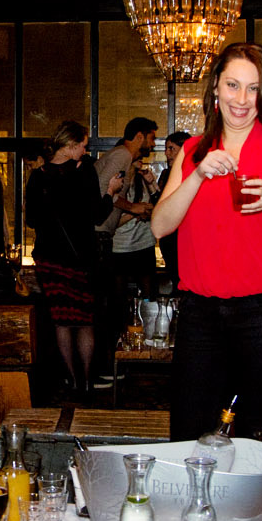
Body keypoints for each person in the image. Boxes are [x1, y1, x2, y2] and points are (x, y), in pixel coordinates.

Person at [150, 43, 262, 442]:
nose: (241, 99)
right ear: (215, 89)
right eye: (233, 85)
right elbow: (159, 226)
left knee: (257, 436)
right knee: (190, 433)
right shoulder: (193, 151)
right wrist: (197, 175)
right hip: (200, 315)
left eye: (253, 88)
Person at [24, 122, 123, 394]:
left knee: (62, 321)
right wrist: (111, 191)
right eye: (83, 145)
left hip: (49, 259)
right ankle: (87, 382)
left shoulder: (38, 176)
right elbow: (98, 215)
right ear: (69, 145)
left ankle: (73, 380)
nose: (85, 150)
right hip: (80, 258)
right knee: (85, 320)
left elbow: (31, 219)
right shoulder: (84, 172)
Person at [94, 116, 158, 387]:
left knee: (111, 307)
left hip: (106, 237)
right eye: (152, 138)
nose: (153, 144)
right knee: (107, 308)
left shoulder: (125, 160)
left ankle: (110, 365)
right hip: (100, 239)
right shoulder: (121, 155)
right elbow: (101, 192)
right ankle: (102, 368)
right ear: (139, 136)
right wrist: (133, 208)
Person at [158, 131, 190, 284]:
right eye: (166, 149)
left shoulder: (193, 175)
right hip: (168, 236)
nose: (167, 153)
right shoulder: (166, 174)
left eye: (171, 149)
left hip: (186, 235)